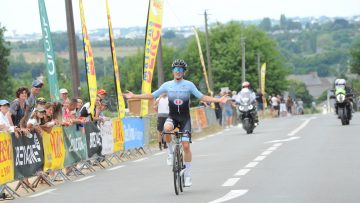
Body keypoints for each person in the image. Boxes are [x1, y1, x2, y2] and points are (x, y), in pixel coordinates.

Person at [123, 59, 227, 187]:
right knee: (166, 129)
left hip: (185, 119)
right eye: (176, 69)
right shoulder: (167, 85)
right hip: (172, 117)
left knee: (186, 146)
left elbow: (202, 97)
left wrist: (218, 100)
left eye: (180, 70)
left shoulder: (189, 85)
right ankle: (171, 152)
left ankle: (188, 175)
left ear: (184, 72)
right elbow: (151, 95)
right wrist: (134, 96)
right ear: (173, 71)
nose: (178, 72)